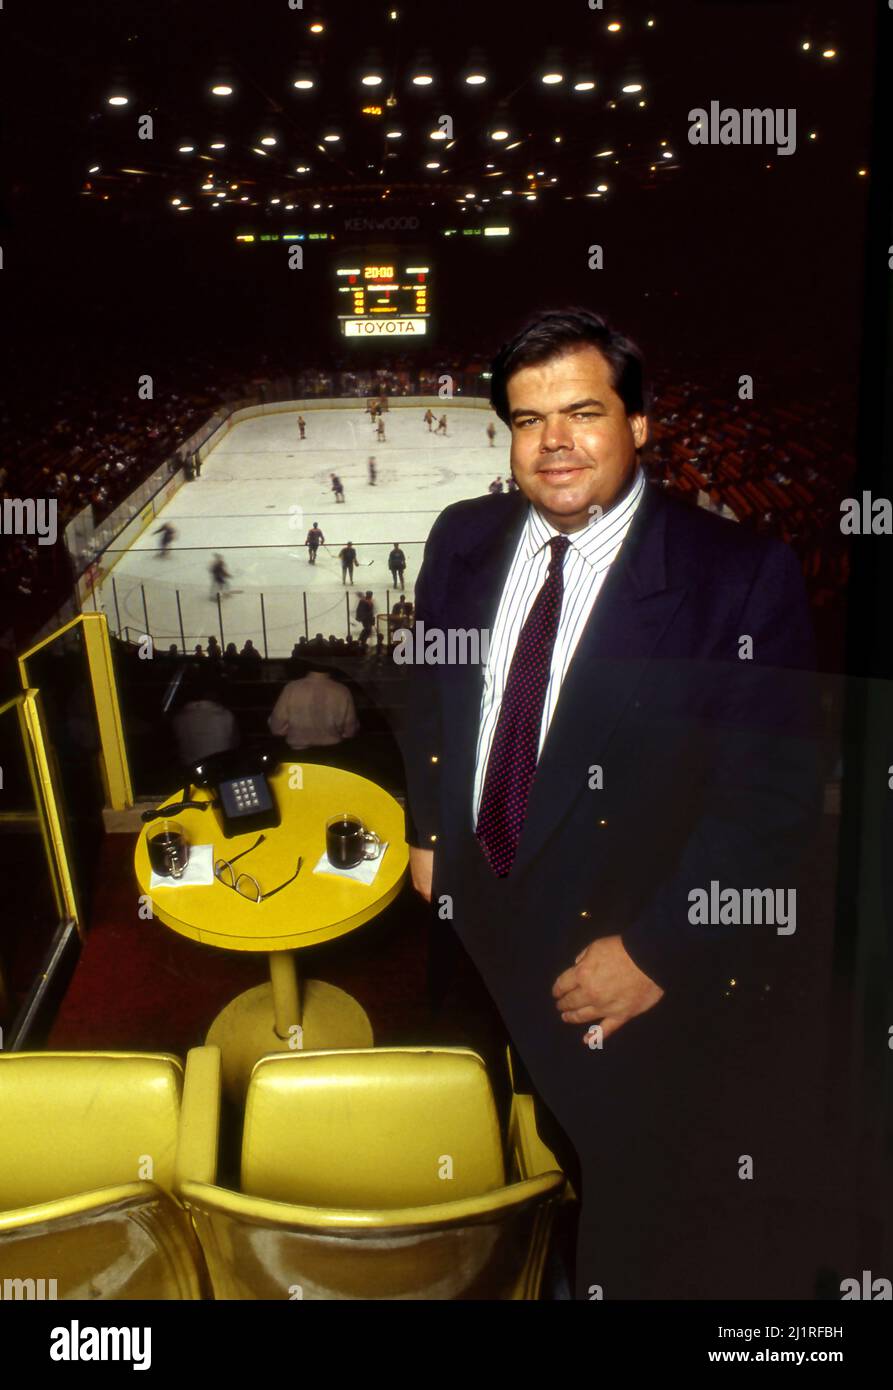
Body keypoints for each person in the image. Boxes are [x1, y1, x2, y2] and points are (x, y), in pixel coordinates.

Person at [398, 308, 821, 1301]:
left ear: (639, 423)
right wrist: (427, 829)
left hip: (610, 948)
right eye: (526, 416)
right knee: (485, 1121)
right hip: (471, 913)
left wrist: (658, 951)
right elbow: (428, 685)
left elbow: (769, 799)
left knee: (624, 1179)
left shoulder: (735, 577)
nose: (552, 440)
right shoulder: (462, 538)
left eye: (582, 411)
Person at [268, 661, 360, 753]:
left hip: (298, 755)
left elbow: (277, 728)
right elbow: (349, 730)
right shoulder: (342, 690)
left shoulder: (291, 688)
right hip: (332, 754)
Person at [171, 673, 240, 768]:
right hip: (219, 771)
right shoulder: (226, 716)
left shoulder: (179, 718)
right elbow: (235, 747)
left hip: (189, 774)